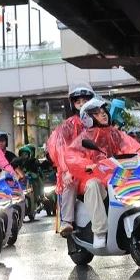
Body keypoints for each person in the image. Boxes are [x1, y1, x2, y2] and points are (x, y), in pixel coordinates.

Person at [64, 97, 140, 249]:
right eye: (97, 113)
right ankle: (100, 232)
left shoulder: (114, 133)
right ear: (87, 118)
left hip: (114, 175)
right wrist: (88, 165)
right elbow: (71, 155)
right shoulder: (83, 138)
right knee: (93, 185)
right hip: (92, 178)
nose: (103, 114)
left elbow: (131, 146)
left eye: (104, 111)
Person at [47, 87, 95, 237]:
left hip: (97, 165)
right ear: (73, 104)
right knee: (71, 182)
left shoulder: (99, 120)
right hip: (74, 167)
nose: (81, 104)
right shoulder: (68, 125)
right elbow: (61, 150)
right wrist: (67, 171)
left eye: (85, 101)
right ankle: (67, 221)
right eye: (78, 102)